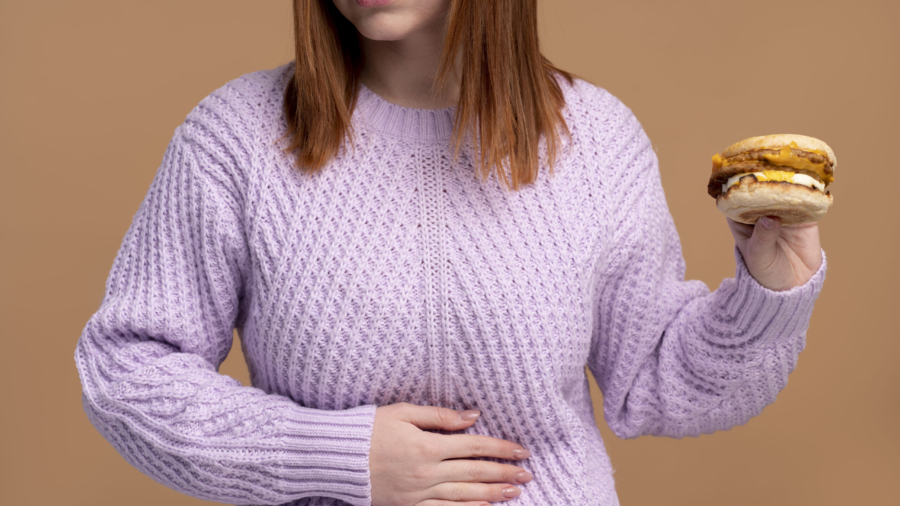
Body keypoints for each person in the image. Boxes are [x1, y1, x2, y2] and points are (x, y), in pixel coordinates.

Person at [73, 1, 827, 505]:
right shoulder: (235, 136)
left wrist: (770, 292)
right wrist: (338, 455)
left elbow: (660, 379)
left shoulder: (596, 139)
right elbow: (126, 370)